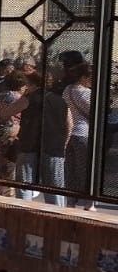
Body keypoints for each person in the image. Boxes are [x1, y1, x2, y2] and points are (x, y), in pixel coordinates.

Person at [15, 70, 71, 208]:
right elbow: (70, 123)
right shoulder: (61, 101)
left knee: (24, 183)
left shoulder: (28, 98)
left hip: (29, 145)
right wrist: (64, 143)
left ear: (32, 84)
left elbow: (7, 113)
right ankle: (57, 217)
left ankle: (23, 213)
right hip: (54, 147)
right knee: (55, 186)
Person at [63, 62, 96, 209]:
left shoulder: (67, 90)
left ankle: (70, 201)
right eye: (91, 78)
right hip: (84, 133)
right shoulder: (86, 93)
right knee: (85, 170)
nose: (92, 81)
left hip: (69, 134)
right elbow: (94, 113)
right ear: (83, 77)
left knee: (71, 169)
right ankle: (89, 202)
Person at [0, 71, 27, 189]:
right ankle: (7, 193)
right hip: (12, 134)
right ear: (21, 86)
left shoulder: (0, 96)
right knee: (10, 168)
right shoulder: (20, 99)